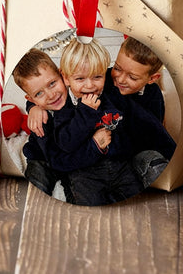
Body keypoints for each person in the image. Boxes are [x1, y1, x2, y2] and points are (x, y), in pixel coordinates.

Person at [52, 37, 145, 205]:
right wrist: (86, 112)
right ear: (66, 78)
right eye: (80, 79)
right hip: (83, 171)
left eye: (97, 77)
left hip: (119, 166)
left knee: (138, 201)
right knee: (89, 206)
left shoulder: (111, 95)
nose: (90, 85)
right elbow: (66, 143)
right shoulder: (63, 106)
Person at [12, 48, 110, 199]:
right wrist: (33, 108)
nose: (51, 95)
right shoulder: (42, 121)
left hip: (74, 155)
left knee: (78, 190)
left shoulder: (76, 92)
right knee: (33, 194)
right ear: (31, 98)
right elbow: (57, 161)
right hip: (44, 158)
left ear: (62, 76)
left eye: (52, 83)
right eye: (39, 93)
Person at [105, 36, 176, 187]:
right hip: (105, 156)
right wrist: (39, 108)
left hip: (138, 154)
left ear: (152, 78)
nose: (121, 79)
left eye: (132, 77)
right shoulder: (101, 79)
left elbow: (154, 132)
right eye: (117, 68)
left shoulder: (153, 95)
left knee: (156, 164)